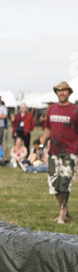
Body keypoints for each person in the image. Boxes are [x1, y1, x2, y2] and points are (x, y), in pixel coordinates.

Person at [43, 81, 78, 224]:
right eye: (59, 90)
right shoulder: (52, 109)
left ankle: (62, 215)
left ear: (69, 92)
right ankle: (65, 210)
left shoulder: (75, 111)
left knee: (64, 183)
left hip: (69, 152)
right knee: (54, 184)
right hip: (54, 152)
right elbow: (47, 129)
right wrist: (42, 144)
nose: (61, 93)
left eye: (64, 90)